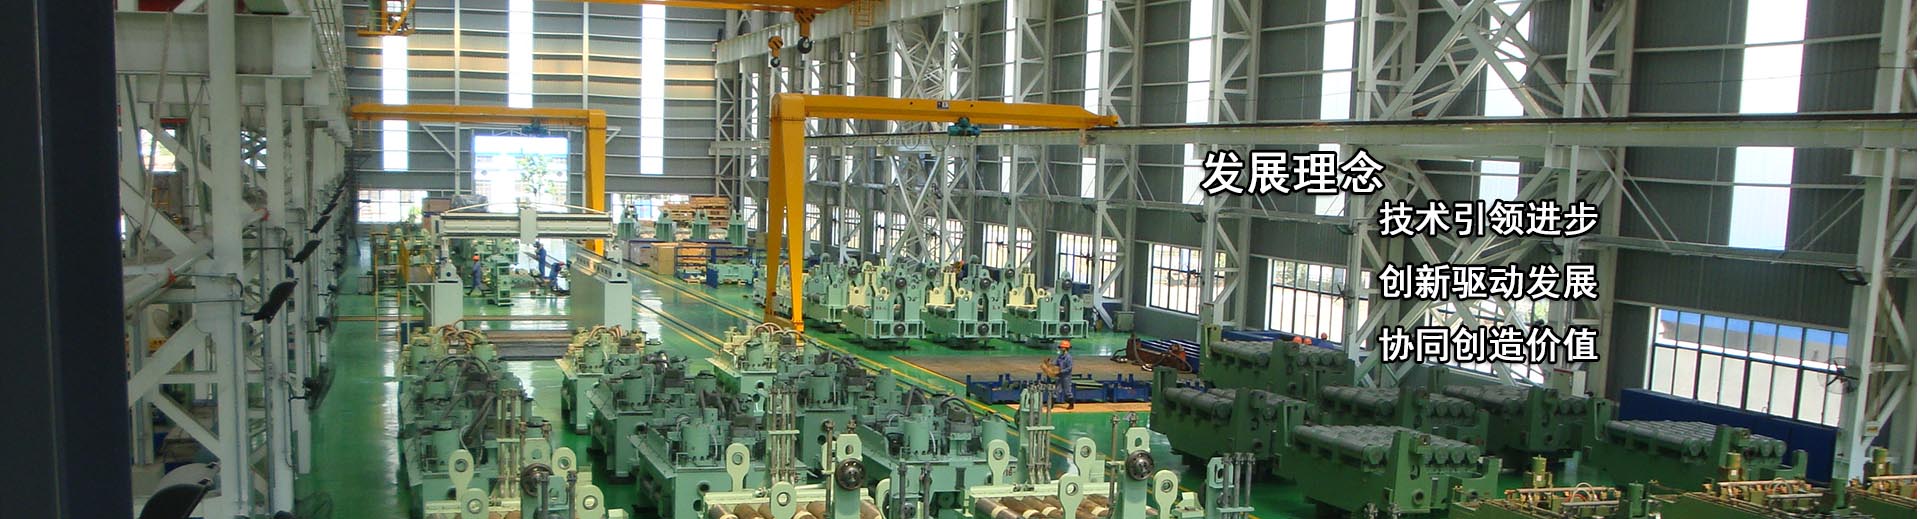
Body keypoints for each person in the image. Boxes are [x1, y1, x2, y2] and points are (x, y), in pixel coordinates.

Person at [1053, 339, 1075, 410]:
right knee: (1056, 390)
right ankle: (1051, 404)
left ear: (1066, 348)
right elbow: (1056, 363)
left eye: (1062, 347)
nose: (1061, 348)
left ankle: (1071, 404)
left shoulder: (1068, 357)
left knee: (1067, 391)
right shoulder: (1060, 356)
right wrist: (1050, 364)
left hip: (1066, 377)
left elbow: (1069, 368)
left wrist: (1061, 371)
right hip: (1059, 376)